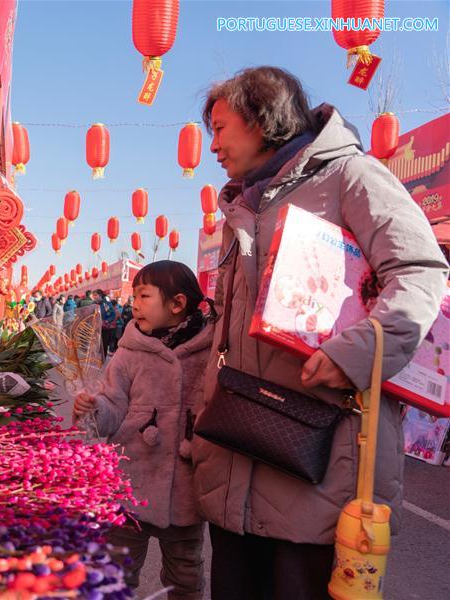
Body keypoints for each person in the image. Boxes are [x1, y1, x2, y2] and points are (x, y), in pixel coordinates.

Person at [192, 66, 449, 599]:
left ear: (262, 117)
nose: (211, 144)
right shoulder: (242, 205)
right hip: (238, 447)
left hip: (324, 458)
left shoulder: (352, 176)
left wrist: (357, 352)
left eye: (219, 127)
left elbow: (421, 272)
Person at [73, 261, 215, 598]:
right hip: (130, 483)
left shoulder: (210, 351)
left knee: (185, 575)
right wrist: (93, 408)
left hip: (185, 492)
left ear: (177, 304)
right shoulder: (128, 353)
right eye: (134, 295)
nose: (134, 303)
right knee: (117, 571)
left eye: (144, 295)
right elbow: (111, 409)